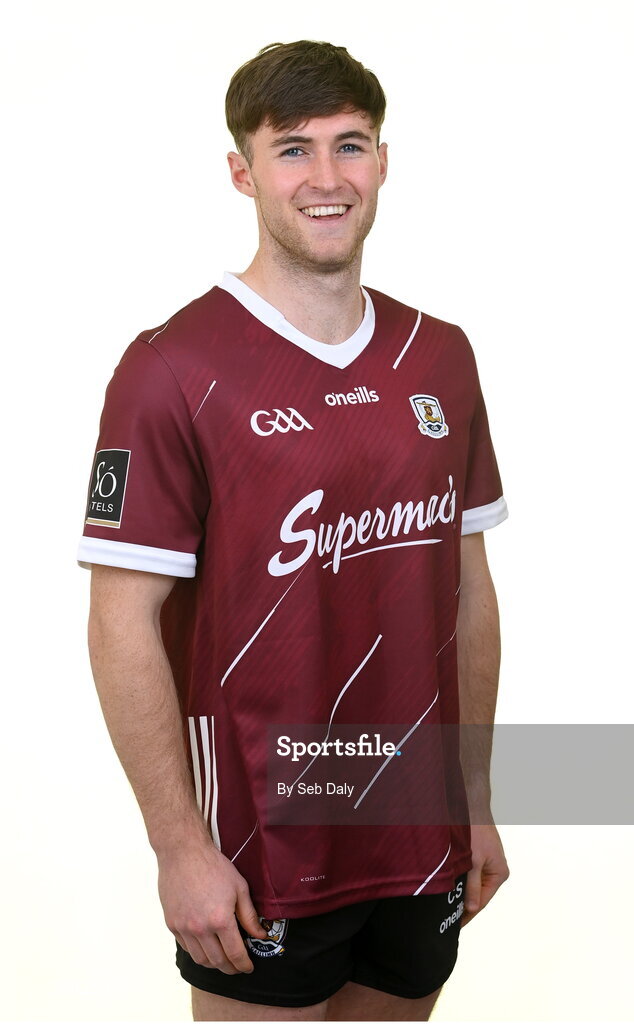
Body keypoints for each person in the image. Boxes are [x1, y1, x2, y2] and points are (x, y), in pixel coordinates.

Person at [78, 39, 510, 1023]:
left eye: (348, 145)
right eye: (292, 150)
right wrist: (178, 845)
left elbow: (469, 589)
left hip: (417, 829)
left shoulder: (439, 356)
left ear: (382, 162)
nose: (325, 177)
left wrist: (474, 794)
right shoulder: (172, 367)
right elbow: (119, 623)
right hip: (263, 846)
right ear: (243, 172)